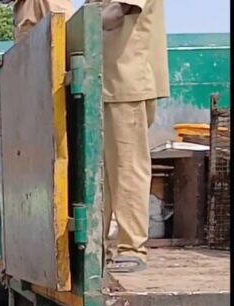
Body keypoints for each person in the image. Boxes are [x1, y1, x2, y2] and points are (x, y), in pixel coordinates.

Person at [100, 0, 168, 273]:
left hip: (126, 83)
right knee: (101, 175)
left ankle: (132, 248)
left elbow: (117, 12)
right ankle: (98, 247)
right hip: (105, 82)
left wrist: (66, 32)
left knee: (127, 168)